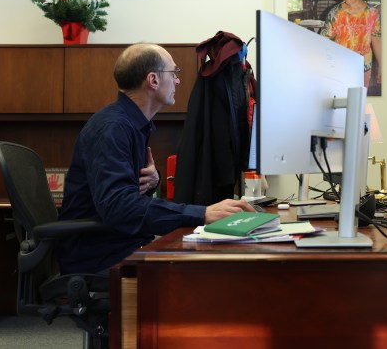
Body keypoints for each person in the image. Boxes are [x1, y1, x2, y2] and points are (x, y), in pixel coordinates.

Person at [57, 43, 255, 274]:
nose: (178, 81)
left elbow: (122, 195)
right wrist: (201, 214)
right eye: (174, 73)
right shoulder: (113, 128)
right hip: (100, 257)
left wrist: (153, 180)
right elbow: (119, 208)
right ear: (153, 80)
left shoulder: (131, 125)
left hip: (121, 244)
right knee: (211, 274)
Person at [319, 0, 382, 89]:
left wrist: (382, 66)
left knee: (359, 101)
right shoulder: (335, 13)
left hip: (364, 68)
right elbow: (323, 41)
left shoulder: (372, 13)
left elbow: (376, 40)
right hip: (340, 67)